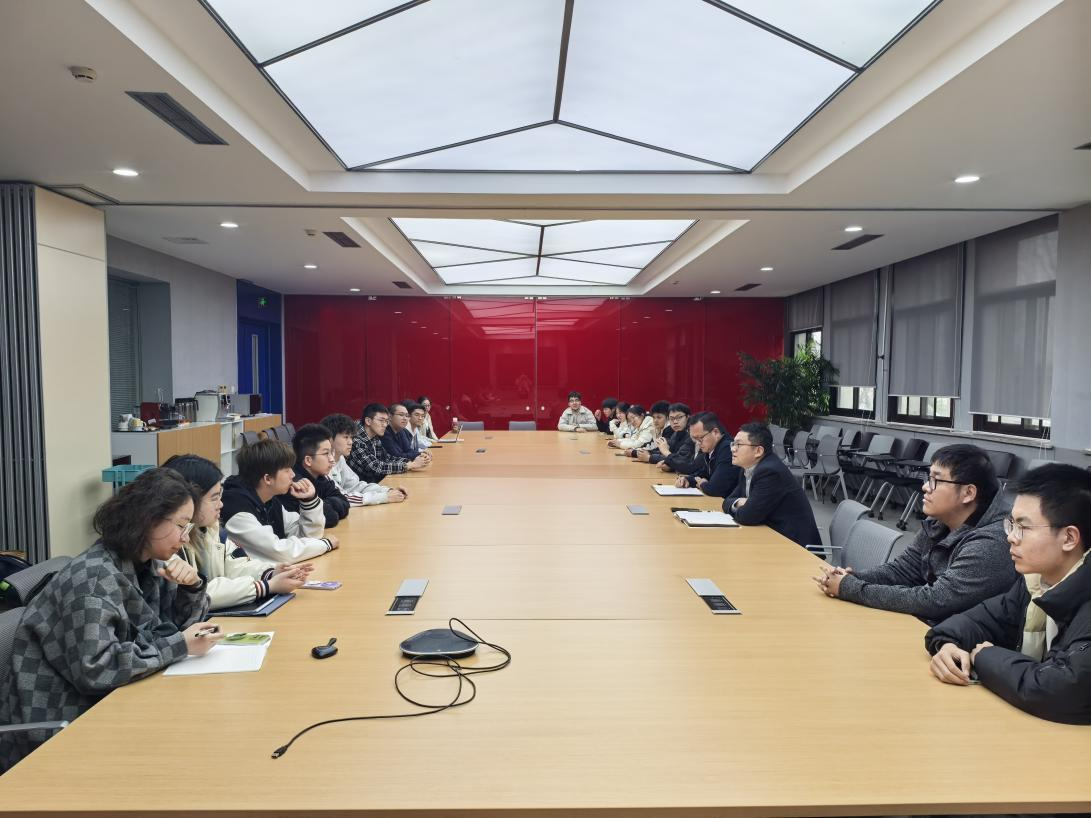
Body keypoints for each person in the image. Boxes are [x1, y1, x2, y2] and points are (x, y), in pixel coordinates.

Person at [0, 468, 219, 771]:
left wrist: (192, 587)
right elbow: (97, 669)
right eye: (181, 525)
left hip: (108, 703)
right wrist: (180, 646)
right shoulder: (93, 579)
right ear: (148, 519)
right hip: (63, 725)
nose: (185, 538)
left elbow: (175, 629)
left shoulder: (146, 563)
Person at [925, 464, 1091, 724]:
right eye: (1011, 524)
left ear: (1069, 538)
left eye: (1023, 527)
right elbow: (972, 622)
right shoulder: (1035, 583)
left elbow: (1063, 690)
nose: (1011, 537)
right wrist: (946, 646)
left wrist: (984, 657)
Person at [815, 444, 1016, 625]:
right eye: (928, 478)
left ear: (968, 493)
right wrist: (853, 578)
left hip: (964, 646)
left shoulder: (992, 543)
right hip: (934, 628)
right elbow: (905, 570)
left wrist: (852, 588)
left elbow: (935, 600)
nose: (925, 487)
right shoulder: (940, 520)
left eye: (936, 480)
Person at [164, 454, 311, 610]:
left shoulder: (210, 529)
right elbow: (200, 593)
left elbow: (235, 565)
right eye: (214, 498)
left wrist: (270, 573)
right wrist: (266, 586)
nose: (221, 504)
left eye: (220, 496)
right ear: (188, 501)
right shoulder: (167, 543)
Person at [221, 438, 338, 563]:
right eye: (287, 470)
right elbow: (279, 553)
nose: (293, 475)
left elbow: (309, 537)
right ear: (267, 479)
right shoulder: (238, 509)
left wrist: (309, 501)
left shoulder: (269, 499)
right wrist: (325, 544)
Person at [722, 422, 820, 547]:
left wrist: (743, 505)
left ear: (758, 451)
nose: (733, 449)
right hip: (771, 536)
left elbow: (747, 516)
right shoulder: (747, 468)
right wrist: (739, 502)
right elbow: (727, 502)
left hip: (793, 545)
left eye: (739, 444)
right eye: (733, 444)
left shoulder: (770, 472)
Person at [320, 413, 407, 505]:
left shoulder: (340, 458)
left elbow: (356, 486)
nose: (350, 442)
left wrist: (388, 490)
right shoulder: (322, 464)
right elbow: (341, 497)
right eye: (346, 437)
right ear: (330, 439)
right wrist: (384, 497)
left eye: (351, 437)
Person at [283, 423, 350, 529]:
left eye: (331, 453)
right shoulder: (296, 485)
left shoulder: (320, 477)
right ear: (308, 460)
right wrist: (325, 505)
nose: (331, 459)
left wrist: (323, 504)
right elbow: (330, 518)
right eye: (326, 454)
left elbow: (345, 503)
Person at [346, 402, 429, 484]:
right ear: (368, 421)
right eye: (381, 420)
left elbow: (387, 458)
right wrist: (409, 465)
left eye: (386, 421)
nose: (385, 425)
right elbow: (375, 467)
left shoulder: (374, 437)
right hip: (361, 488)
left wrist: (412, 461)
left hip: (374, 484)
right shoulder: (356, 440)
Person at [675, 412, 739, 498]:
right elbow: (704, 473)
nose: (698, 443)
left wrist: (702, 484)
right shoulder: (712, 448)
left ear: (715, 432)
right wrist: (688, 480)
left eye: (700, 438)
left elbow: (715, 489)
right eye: (695, 439)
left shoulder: (728, 449)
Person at [640, 403, 697, 474]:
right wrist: (669, 464)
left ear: (687, 417)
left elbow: (682, 460)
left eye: (679, 417)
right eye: (672, 419)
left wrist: (650, 457)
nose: (675, 422)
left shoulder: (692, 434)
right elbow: (671, 455)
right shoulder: (676, 433)